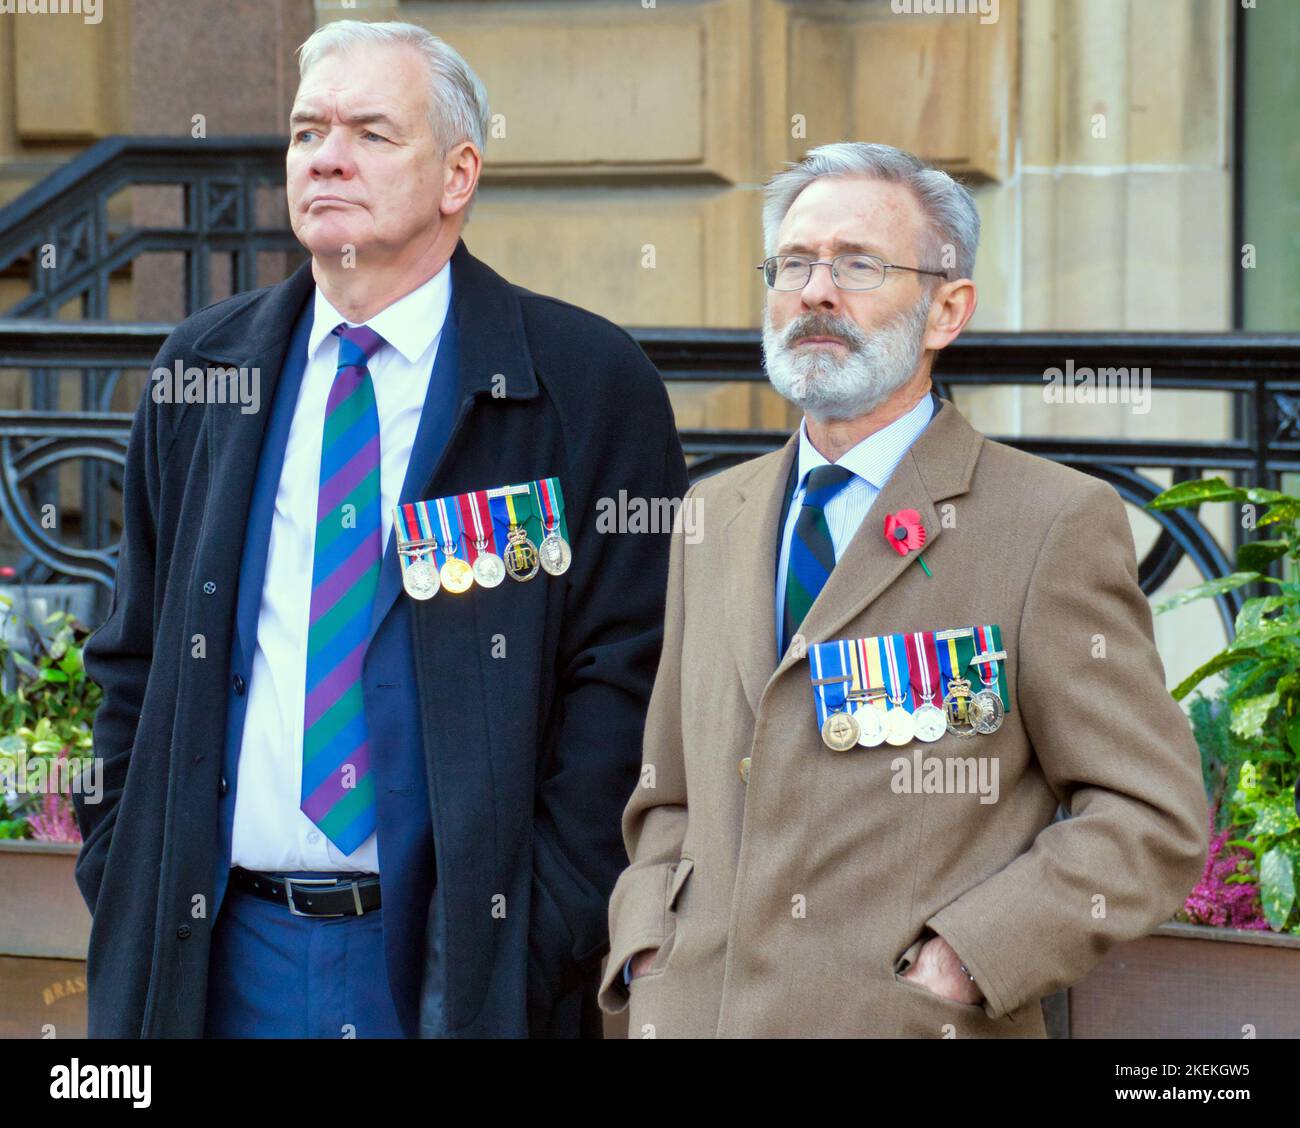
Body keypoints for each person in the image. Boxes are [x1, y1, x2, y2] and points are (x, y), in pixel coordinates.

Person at [71, 19, 687, 1038]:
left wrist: (539, 930)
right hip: (222, 954)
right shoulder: (203, 371)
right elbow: (134, 649)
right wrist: (123, 863)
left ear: (458, 175)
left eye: (369, 131)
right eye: (307, 130)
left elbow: (626, 683)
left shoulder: (585, 383)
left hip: (458, 966)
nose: (326, 157)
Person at [598, 141, 1209, 1038]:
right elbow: (669, 792)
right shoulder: (708, 515)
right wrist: (648, 945)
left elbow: (1149, 816)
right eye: (795, 263)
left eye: (858, 263)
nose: (814, 291)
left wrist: (966, 961)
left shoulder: (1049, 522)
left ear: (945, 310)